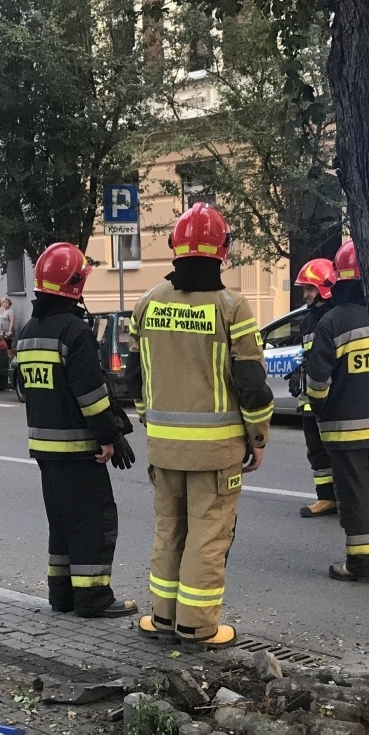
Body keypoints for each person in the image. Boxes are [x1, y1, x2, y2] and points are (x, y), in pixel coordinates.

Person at [131, 202, 273, 648]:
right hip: (216, 452)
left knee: (169, 528)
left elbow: (137, 378)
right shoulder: (233, 307)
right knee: (208, 534)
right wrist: (259, 437)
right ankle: (196, 626)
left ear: (174, 248)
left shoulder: (147, 303)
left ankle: (162, 617)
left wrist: (148, 419)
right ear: (224, 252)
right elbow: (251, 384)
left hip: (163, 446)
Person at [17, 243, 138, 618]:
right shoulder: (74, 332)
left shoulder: (27, 332)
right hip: (78, 450)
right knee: (93, 525)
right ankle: (92, 599)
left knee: (62, 526)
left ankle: (63, 596)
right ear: (75, 285)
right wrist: (109, 437)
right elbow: (91, 395)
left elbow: (30, 391)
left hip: (45, 452)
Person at [303, 241, 369, 582]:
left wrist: (321, 409)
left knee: (355, 498)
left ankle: (361, 564)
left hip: (345, 430)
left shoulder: (332, 322)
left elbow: (316, 382)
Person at [290, 257, 338, 518]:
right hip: (310, 397)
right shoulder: (308, 320)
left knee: (336, 451)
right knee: (317, 451)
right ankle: (326, 497)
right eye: (305, 289)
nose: (306, 294)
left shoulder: (334, 317)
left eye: (310, 289)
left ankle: (342, 496)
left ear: (325, 288)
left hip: (331, 399)